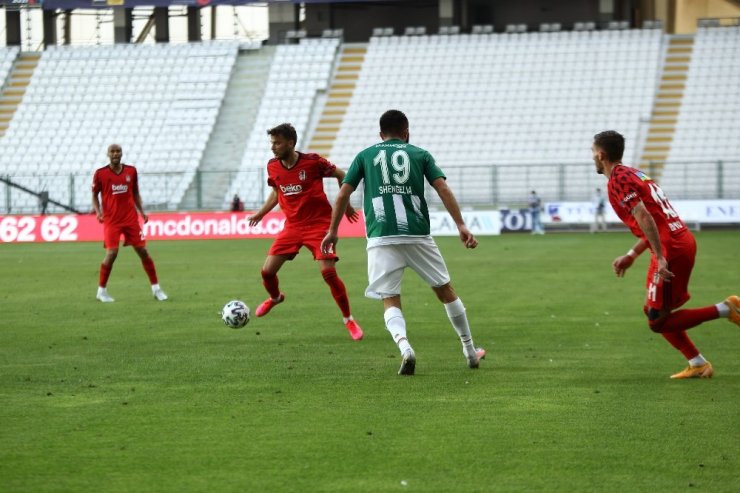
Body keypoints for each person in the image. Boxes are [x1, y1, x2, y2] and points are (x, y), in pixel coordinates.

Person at [321, 109, 485, 375]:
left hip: (381, 236)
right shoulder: (420, 154)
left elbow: (342, 196)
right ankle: (469, 351)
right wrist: (461, 225)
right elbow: (442, 188)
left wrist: (333, 231)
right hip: (417, 234)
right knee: (445, 290)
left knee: (389, 297)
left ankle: (405, 347)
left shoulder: (364, 155)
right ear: (406, 132)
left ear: (380, 134)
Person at [592, 130, 739, 379]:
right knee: (652, 309)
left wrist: (660, 256)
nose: (592, 157)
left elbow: (644, 216)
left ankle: (727, 309)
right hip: (677, 241)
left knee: (657, 320)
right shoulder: (634, 174)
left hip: (672, 249)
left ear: (601, 154)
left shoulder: (618, 179)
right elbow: (655, 221)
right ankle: (697, 363)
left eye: (593, 152)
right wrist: (633, 254)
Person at [247, 123, 364, 341]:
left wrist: (346, 206)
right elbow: (276, 192)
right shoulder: (272, 166)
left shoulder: (312, 162)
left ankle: (348, 319)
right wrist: (261, 214)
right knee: (267, 272)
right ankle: (275, 298)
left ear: (291, 143)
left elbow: (343, 175)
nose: (273, 147)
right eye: (272, 143)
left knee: (328, 273)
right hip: (292, 226)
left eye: (278, 142)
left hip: (319, 225)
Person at [91, 144, 168, 303]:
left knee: (143, 252)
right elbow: (94, 195)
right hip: (112, 221)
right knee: (112, 253)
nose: (115, 154)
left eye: (118, 151)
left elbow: (135, 193)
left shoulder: (131, 171)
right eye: (112, 151)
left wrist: (142, 212)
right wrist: (98, 212)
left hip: (130, 219)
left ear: (122, 153)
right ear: (108, 154)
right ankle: (101, 291)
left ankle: (156, 289)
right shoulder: (101, 174)